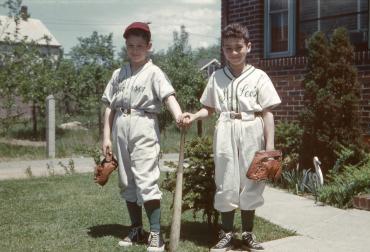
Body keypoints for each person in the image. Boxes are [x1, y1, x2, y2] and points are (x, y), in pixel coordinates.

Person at [179, 23, 281, 251]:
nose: (234, 53)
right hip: (225, 126)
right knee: (225, 178)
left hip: (251, 126)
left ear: (249, 47)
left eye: (238, 47)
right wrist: (194, 115)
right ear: (222, 50)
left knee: (252, 179)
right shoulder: (217, 77)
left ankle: (247, 234)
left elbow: (267, 112)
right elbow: (210, 108)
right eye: (228, 48)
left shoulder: (259, 76)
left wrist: (270, 148)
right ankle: (225, 234)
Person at [101, 22, 182, 252]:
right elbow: (109, 107)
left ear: (149, 46)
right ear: (125, 46)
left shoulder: (154, 72)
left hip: (143, 123)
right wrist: (106, 137)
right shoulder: (119, 74)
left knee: (145, 177)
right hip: (120, 125)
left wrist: (178, 116)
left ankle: (156, 233)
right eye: (130, 45)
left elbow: (168, 96)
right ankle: (137, 229)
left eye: (140, 46)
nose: (134, 50)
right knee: (126, 179)